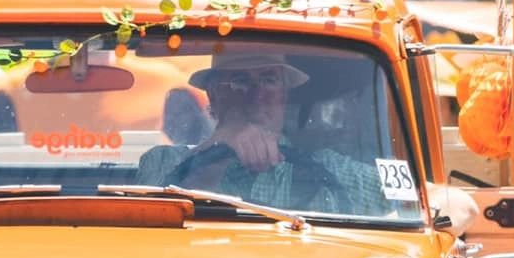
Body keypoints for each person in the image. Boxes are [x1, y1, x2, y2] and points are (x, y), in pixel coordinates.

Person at [134, 48, 394, 218]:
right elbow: (150, 222)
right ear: (213, 94)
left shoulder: (329, 167)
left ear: (284, 93)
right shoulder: (163, 161)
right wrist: (218, 149)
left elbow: (405, 201)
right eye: (240, 81)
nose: (257, 95)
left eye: (269, 80)